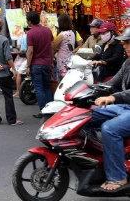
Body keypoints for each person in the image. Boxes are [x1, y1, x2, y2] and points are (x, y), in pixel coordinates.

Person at [90, 27, 130, 192]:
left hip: (125, 106)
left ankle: (118, 177)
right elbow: (112, 82)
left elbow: (120, 93)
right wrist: (89, 89)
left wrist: (113, 97)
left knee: (110, 129)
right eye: (124, 43)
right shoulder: (127, 62)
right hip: (124, 107)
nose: (125, 46)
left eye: (128, 43)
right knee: (87, 114)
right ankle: (96, 160)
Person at [26, 11, 54, 118]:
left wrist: (28, 65)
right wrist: (51, 61)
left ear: (29, 21)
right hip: (47, 63)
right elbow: (51, 47)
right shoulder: (47, 30)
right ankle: (51, 109)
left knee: (39, 88)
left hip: (36, 64)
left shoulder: (31, 33)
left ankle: (43, 110)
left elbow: (30, 51)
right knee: (47, 87)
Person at [53, 14, 81, 80]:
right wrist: (74, 50)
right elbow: (80, 44)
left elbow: (53, 47)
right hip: (70, 58)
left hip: (62, 59)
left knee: (62, 78)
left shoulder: (62, 35)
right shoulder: (73, 33)